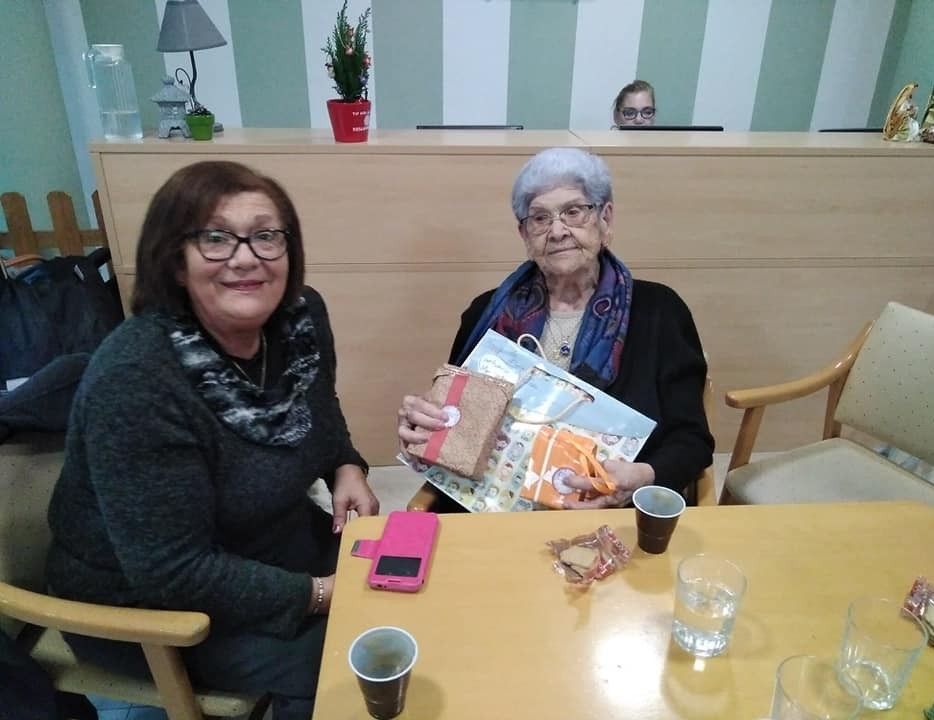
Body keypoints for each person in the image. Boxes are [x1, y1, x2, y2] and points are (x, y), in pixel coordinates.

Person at [45, 161, 378, 720]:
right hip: (149, 605)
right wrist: (321, 594)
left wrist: (346, 465)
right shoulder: (138, 379)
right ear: (175, 260)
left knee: (407, 593)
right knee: (350, 658)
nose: (246, 258)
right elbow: (172, 570)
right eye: (216, 238)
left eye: (266, 236)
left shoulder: (300, 316)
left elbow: (320, 411)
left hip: (270, 544)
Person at [398, 147, 713, 510]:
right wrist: (422, 423)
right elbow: (458, 426)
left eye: (574, 211)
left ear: (605, 218)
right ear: (524, 233)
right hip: (490, 510)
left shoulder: (660, 311)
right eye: (540, 218)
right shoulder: (485, 314)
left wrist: (642, 476)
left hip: (611, 510)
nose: (558, 231)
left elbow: (692, 440)